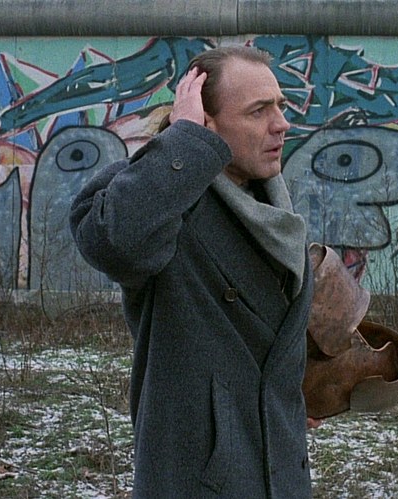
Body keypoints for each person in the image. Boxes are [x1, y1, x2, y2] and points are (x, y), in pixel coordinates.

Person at [69, 46, 316, 497]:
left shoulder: (270, 206)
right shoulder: (169, 205)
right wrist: (182, 140)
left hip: (278, 469)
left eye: (280, 106)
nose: (281, 124)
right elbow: (110, 242)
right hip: (198, 478)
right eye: (259, 111)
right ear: (206, 122)